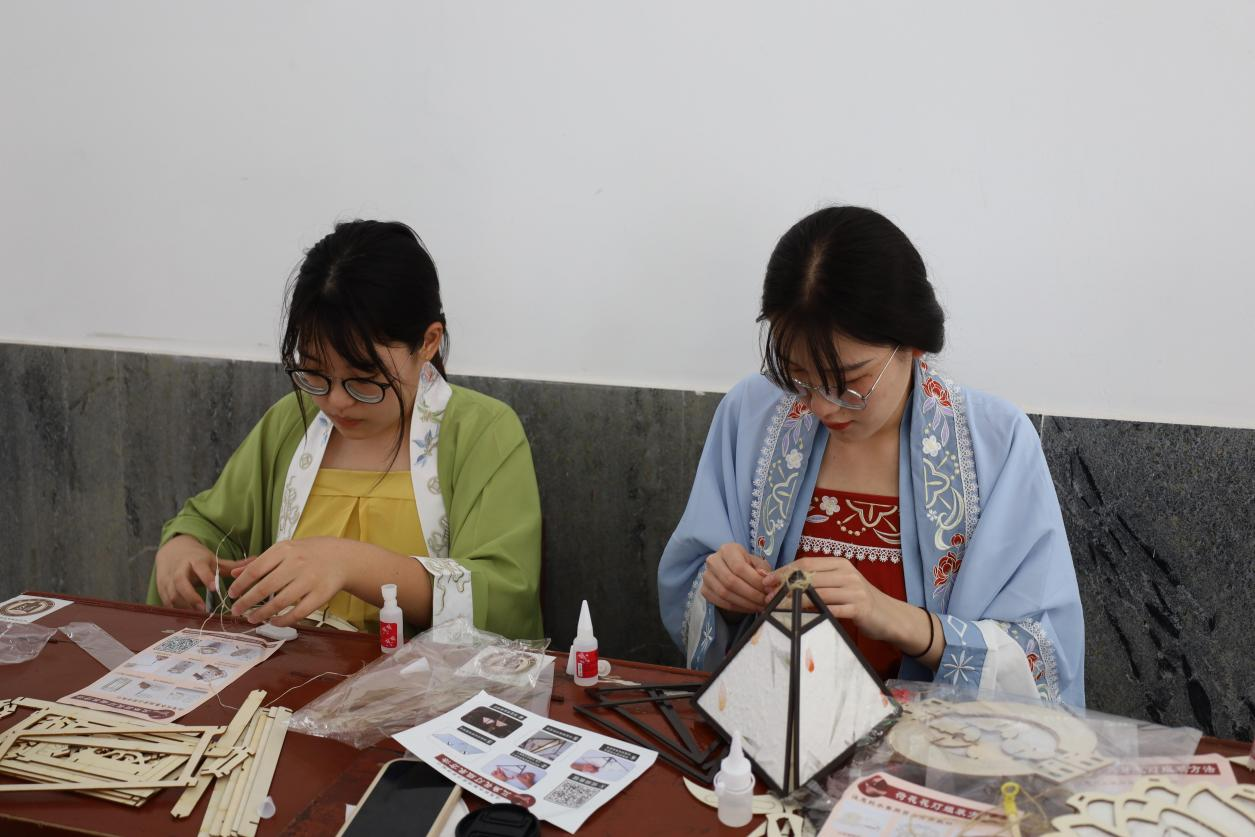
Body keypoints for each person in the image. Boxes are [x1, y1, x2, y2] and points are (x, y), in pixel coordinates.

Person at [658, 206, 1084, 704]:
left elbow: (1042, 658)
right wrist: (725, 595)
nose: (822, 406)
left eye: (850, 381)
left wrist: (897, 618)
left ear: (913, 344)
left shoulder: (996, 443)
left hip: (929, 743)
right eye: (799, 378)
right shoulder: (752, 416)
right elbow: (691, 588)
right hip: (774, 727)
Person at [148, 220, 543, 639]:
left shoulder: (482, 432)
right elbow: (211, 524)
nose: (336, 400)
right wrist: (184, 549)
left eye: (364, 378)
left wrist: (351, 564)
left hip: (418, 678)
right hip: (293, 670)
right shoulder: (293, 422)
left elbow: (503, 594)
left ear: (428, 342)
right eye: (315, 373)